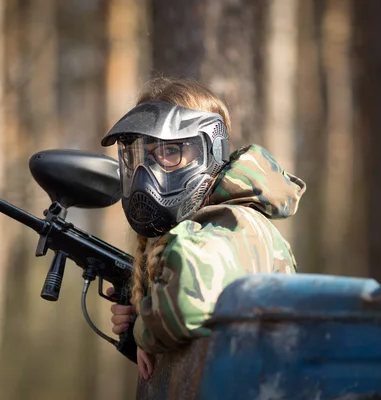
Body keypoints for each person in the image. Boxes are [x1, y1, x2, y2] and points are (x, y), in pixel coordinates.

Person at [101, 77, 306, 381]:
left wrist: (145, 327)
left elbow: (186, 306)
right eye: (140, 157)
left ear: (209, 151)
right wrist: (142, 314)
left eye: (170, 153)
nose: (148, 173)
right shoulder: (201, 232)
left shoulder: (235, 224)